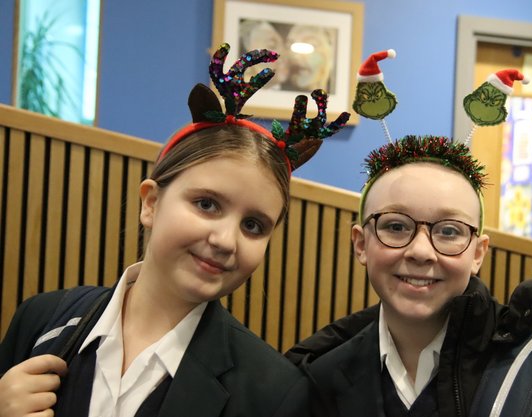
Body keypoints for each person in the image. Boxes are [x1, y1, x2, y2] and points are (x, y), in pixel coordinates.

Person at [0, 43, 349, 417]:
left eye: (253, 225)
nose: (225, 240)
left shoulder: (273, 393)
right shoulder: (42, 320)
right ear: (151, 203)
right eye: (207, 204)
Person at [285, 134, 532, 417]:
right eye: (396, 226)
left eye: (449, 231)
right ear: (361, 244)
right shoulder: (315, 380)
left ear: (478, 253)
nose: (421, 251)